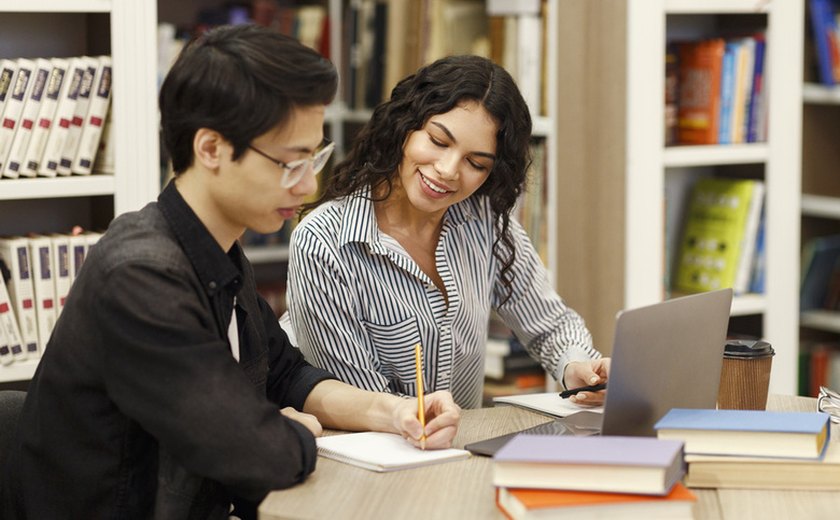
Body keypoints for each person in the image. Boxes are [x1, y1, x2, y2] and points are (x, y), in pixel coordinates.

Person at [0, 25, 459, 519]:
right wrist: (281, 431)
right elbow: (250, 450)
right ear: (211, 149)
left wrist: (394, 412)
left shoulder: (216, 249)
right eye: (290, 163)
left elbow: (288, 372)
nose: (308, 185)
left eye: (314, 157)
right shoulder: (141, 275)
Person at [285, 55, 610, 411]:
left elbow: (550, 325)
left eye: (476, 163)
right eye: (439, 141)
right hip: (374, 455)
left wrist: (576, 366)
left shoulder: (482, 218)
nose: (447, 170)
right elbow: (360, 402)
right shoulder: (324, 241)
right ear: (404, 127)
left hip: (458, 454)